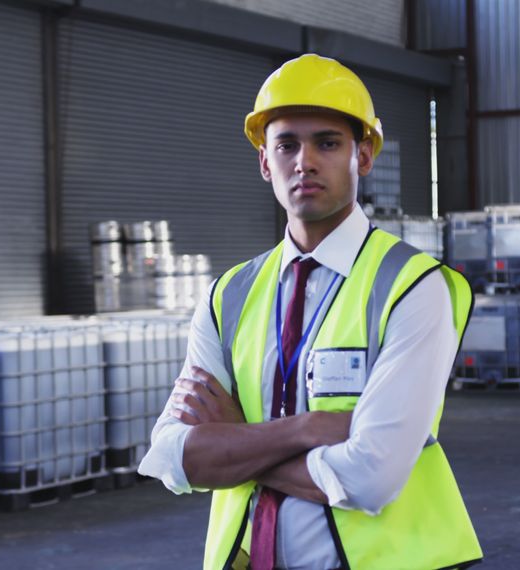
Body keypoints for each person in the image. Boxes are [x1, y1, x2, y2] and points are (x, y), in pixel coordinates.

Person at [138, 53, 482, 570]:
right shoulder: (228, 295)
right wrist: (302, 430)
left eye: (327, 142)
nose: (305, 161)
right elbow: (170, 457)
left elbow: (371, 478)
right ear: (264, 162)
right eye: (286, 144)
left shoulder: (412, 287)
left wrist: (237, 440)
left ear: (363, 155)